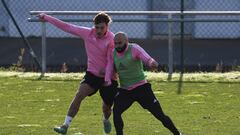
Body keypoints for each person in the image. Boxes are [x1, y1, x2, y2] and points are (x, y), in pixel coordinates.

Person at [38, 12, 118, 135]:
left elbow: (110, 61)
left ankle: (105, 119)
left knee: (107, 108)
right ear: (94, 26)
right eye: (97, 27)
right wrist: (46, 17)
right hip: (92, 74)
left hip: (109, 77)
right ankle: (65, 126)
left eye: (102, 27)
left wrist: (107, 78)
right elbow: (66, 26)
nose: (99, 30)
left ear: (107, 26)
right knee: (79, 94)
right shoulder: (87, 33)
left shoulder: (112, 39)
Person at [110, 32, 183, 135]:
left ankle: (177, 133)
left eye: (120, 43)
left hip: (141, 88)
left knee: (160, 115)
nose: (117, 46)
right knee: (116, 112)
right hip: (125, 91)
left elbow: (146, 58)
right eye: (115, 43)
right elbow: (110, 68)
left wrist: (151, 63)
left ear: (126, 41)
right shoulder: (113, 53)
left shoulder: (134, 48)